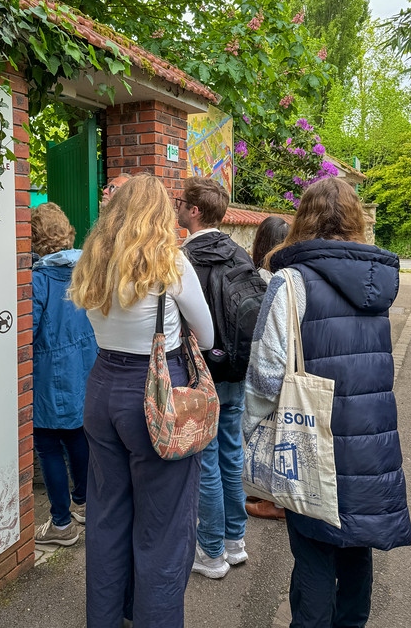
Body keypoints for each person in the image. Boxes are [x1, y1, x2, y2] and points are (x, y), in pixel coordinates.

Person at [243, 177, 411, 628]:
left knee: (315, 554)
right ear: (356, 220)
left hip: (310, 435)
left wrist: (250, 430)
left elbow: (265, 374)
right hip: (372, 435)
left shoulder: (290, 281)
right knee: (357, 544)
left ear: (304, 218)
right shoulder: (378, 282)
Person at [70, 174, 214, 628]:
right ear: (161, 214)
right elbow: (207, 336)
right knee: (164, 528)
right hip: (157, 392)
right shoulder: (170, 263)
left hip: (102, 388)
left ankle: (108, 619)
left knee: (108, 516)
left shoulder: (93, 260)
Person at [177, 176, 265, 579]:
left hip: (203, 372)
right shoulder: (239, 253)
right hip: (237, 369)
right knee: (232, 453)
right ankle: (235, 542)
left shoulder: (186, 257)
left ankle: (210, 553)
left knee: (207, 461)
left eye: (181, 202)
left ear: (194, 211)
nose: (177, 206)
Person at [31, 202, 98, 547]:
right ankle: (84, 504)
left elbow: (26, 330)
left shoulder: (39, 278)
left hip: (49, 373)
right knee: (77, 436)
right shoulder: (85, 269)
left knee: (46, 443)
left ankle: (60, 524)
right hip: (86, 366)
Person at [246, 215, 290, 522]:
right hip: (291, 364)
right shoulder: (292, 277)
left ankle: (268, 497)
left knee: (261, 427)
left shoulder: (259, 278)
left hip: (265, 362)